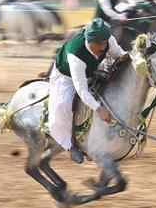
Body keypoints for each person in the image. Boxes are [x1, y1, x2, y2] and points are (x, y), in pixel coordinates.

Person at [49, 18, 125, 163]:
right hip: (67, 77)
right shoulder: (75, 55)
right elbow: (82, 91)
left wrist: (127, 58)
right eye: (98, 44)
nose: (103, 47)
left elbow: (119, 54)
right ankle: (70, 145)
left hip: (93, 70)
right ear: (88, 40)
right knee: (63, 103)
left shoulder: (107, 40)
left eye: (104, 42)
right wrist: (99, 109)